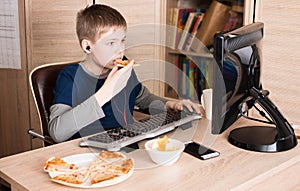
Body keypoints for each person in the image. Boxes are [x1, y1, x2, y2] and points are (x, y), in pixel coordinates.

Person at [48, 4, 201, 143]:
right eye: (111, 43)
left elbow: (144, 98)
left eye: (122, 41)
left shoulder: (124, 66)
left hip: (126, 145)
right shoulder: (70, 77)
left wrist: (171, 105)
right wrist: (106, 92)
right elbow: (57, 133)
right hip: (87, 153)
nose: (120, 49)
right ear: (88, 46)